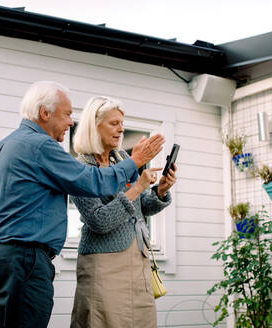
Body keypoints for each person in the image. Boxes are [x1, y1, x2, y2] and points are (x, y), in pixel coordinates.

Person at [0, 81, 165, 328]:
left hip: (9, 255)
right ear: (44, 113)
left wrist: (156, 188)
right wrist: (136, 161)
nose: (71, 122)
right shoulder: (40, 146)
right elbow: (91, 182)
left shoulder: (8, 144)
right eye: (67, 114)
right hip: (26, 258)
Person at [70, 96, 177, 328]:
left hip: (137, 260)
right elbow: (99, 221)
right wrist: (138, 186)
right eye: (114, 123)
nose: (121, 128)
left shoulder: (122, 159)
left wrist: (159, 191)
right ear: (94, 126)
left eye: (122, 122)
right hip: (104, 264)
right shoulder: (80, 168)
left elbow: (138, 209)